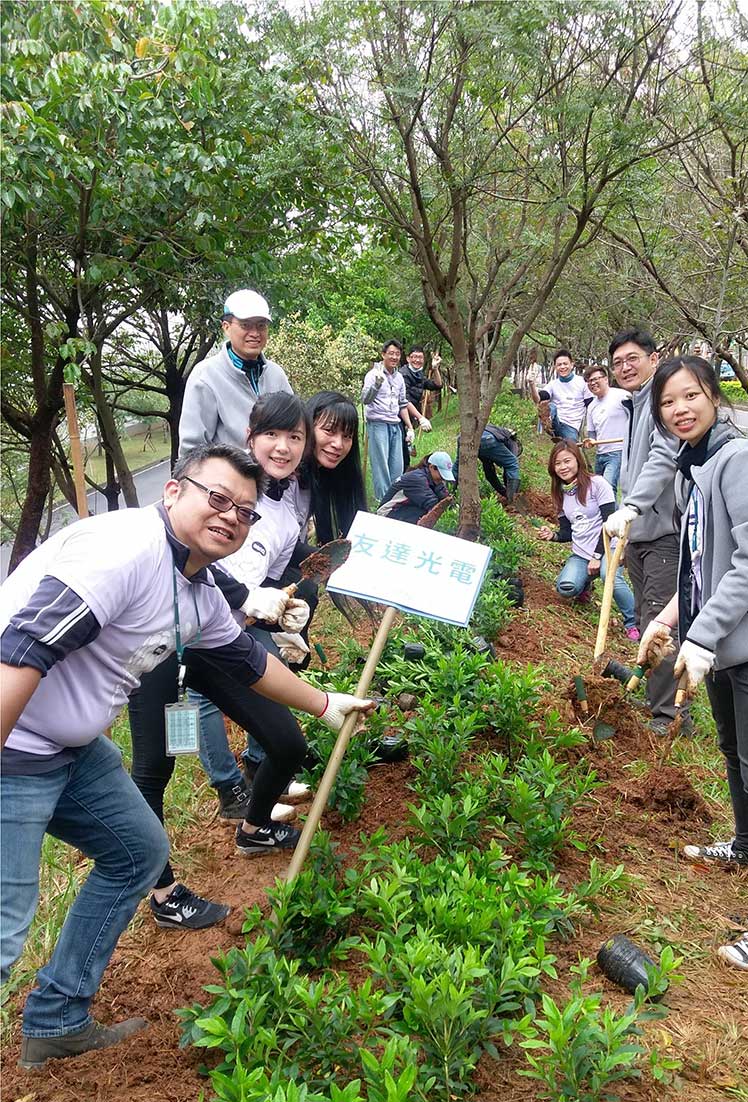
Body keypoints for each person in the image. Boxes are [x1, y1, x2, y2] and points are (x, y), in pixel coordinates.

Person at [0, 444, 373, 1069]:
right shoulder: (124, 552)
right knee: (5, 925)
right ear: (173, 491)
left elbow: (248, 662)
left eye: (245, 512)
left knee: (138, 853)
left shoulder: (197, 589)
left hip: (72, 749)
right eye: (217, 498)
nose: (230, 516)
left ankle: (57, 1018)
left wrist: (324, 704)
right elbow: (22, 648)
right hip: (15, 751)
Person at [636, 359, 746, 888]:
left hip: (737, 641)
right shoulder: (692, 465)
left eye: (691, 395)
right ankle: (744, 845)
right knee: (733, 751)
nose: (680, 409)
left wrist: (701, 636)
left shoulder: (737, 458)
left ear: (715, 398)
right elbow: (703, 564)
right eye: (668, 402)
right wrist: (668, 616)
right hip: (721, 643)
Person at [602, 327, 691, 734]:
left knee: (660, 620)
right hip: (639, 533)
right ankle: (659, 699)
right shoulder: (635, 402)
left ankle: (672, 715)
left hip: (663, 533)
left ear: (654, 359)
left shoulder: (660, 400)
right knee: (645, 614)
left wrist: (632, 507)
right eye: (618, 362)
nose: (624, 367)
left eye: (632, 359)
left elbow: (663, 458)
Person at [537, 442, 639, 641]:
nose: (563, 467)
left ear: (578, 460)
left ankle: (633, 623)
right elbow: (567, 532)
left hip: (608, 547)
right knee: (566, 588)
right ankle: (585, 585)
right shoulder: (560, 493)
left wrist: (596, 556)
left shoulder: (598, 484)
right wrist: (553, 536)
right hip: (582, 553)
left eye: (567, 461)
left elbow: (609, 523)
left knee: (610, 577)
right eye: (558, 463)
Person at [178, 289, 292, 456]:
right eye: (245, 325)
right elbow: (192, 451)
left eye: (261, 325)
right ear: (226, 327)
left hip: (277, 470)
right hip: (228, 472)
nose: (255, 333)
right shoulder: (206, 376)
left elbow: (293, 426)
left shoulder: (276, 374)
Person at [361, 339, 416, 501]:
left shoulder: (399, 378)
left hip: (395, 424)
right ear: (383, 354)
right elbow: (365, 399)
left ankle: (394, 501)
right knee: (381, 466)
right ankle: (382, 502)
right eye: (391, 353)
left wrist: (410, 427)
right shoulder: (373, 375)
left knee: (397, 466)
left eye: (397, 354)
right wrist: (376, 385)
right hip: (378, 424)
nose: (394, 357)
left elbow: (402, 404)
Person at [581, 364, 628, 494]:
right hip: (601, 454)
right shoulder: (592, 406)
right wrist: (591, 441)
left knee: (608, 486)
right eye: (590, 381)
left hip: (617, 451)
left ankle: (613, 509)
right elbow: (592, 433)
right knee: (599, 489)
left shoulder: (622, 396)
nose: (593, 383)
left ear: (606, 379)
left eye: (596, 379)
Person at [530, 349, 592, 441]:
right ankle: (546, 424)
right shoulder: (553, 384)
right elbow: (538, 399)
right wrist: (531, 384)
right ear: (555, 367)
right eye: (559, 365)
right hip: (556, 423)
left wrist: (589, 430)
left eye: (565, 364)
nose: (562, 367)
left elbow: (591, 405)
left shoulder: (582, 382)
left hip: (571, 427)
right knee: (551, 406)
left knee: (570, 446)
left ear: (572, 364)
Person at [377, 451, 455, 523]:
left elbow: (446, 503)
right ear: (431, 467)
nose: (443, 479)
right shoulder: (418, 479)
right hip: (385, 515)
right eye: (441, 475)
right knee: (425, 513)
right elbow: (433, 505)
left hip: (401, 510)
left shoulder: (432, 479)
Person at [454, 424, 522, 503]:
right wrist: (511, 492)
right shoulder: (513, 442)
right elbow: (510, 466)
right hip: (487, 439)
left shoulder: (489, 451)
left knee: (458, 466)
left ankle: (448, 494)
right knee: (512, 463)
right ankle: (513, 500)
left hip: (463, 437)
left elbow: (490, 475)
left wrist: (503, 492)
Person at [399, 347, 441, 467]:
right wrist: (421, 418)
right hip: (398, 419)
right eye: (414, 357)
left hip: (408, 420)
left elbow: (437, 385)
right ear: (408, 359)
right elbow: (404, 400)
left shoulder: (419, 374)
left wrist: (435, 369)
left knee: (406, 455)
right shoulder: (403, 375)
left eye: (420, 357)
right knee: (401, 457)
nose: (417, 360)